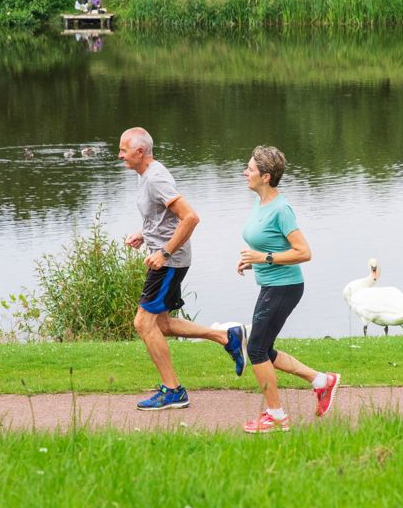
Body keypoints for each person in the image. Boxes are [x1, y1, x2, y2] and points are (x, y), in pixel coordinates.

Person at [118, 127, 247, 410]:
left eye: (123, 150)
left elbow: (190, 217)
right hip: (167, 257)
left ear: (140, 152)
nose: (120, 155)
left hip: (170, 261)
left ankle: (173, 391)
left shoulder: (155, 178)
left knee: (143, 323)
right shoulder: (147, 177)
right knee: (161, 324)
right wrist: (144, 233)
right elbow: (164, 217)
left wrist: (164, 252)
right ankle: (227, 336)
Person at [236, 146, 339, 433]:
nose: (245, 172)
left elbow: (304, 252)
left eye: (251, 169)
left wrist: (263, 258)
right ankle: (322, 381)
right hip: (271, 284)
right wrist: (250, 260)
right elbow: (267, 243)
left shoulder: (282, 210)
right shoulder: (261, 203)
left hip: (285, 286)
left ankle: (276, 416)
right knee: (263, 349)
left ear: (266, 176)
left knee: (255, 349)